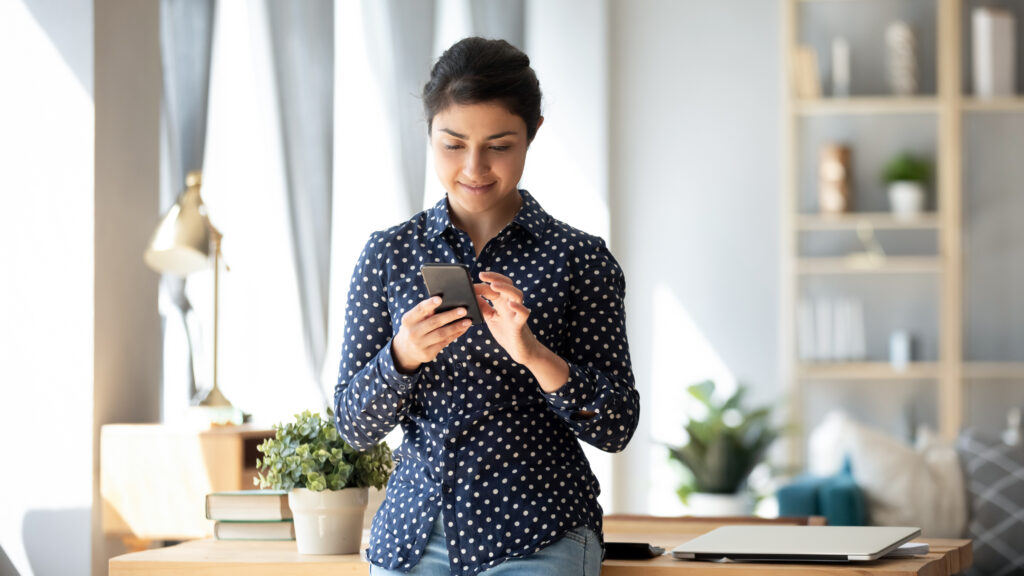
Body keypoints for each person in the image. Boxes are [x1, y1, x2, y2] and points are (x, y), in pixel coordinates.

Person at [334, 36, 639, 576]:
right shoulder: (388, 255)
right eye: (453, 144)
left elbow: (615, 426)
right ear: (428, 134)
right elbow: (354, 426)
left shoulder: (581, 259)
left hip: (539, 532)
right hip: (412, 536)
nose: (474, 167)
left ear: (533, 133)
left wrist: (536, 356)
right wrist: (401, 356)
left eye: (499, 145)